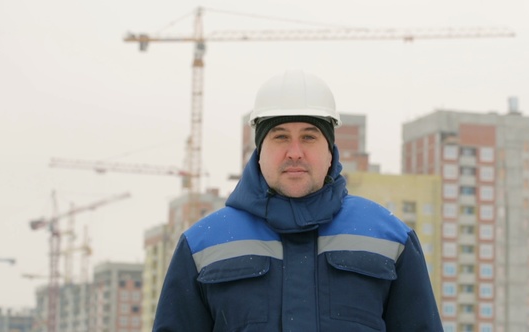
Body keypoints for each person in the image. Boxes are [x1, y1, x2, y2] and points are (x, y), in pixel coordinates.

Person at [153, 69, 443, 331]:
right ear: (259, 150)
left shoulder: (391, 240)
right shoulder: (202, 246)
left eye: (309, 137)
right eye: (280, 137)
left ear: (330, 150)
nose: (294, 152)